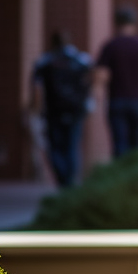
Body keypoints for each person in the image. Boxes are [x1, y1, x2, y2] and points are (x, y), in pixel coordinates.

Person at [31, 31, 94, 187]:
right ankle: (70, 180)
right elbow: (93, 79)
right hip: (75, 109)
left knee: (55, 147)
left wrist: (36, 109)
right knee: (72, 145)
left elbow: (37, 89)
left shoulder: (45, 62)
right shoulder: (81, 60)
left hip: (53, 110)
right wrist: (88, 101)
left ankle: (63, 180)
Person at [95, 6, 138, 157]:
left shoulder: (111, 45)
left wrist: (97, 90)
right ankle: (134, 175)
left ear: (116, 23)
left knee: (119, 143)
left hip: (117, 99)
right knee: (136, 143)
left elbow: (102, 74)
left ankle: (120, 174)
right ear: (136, 23)